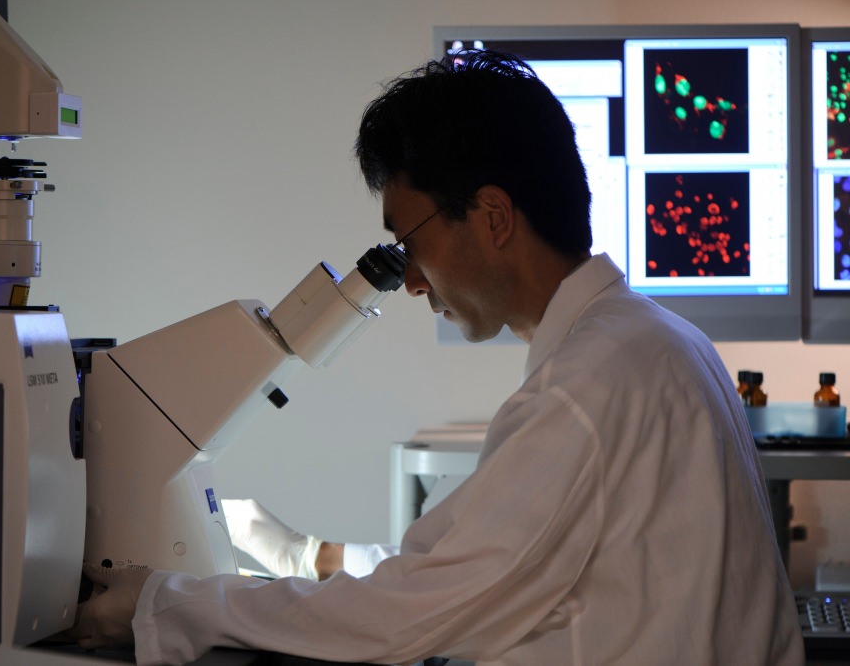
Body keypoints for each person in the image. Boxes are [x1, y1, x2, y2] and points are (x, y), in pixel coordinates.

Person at [69, 50, 805, 665]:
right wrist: (309, 555)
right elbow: (480, 555)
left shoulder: (587, 387)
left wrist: (166, 601)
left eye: (408, 243)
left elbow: (408, 614)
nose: (413, 280)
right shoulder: (656, 341)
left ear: (492, 216)